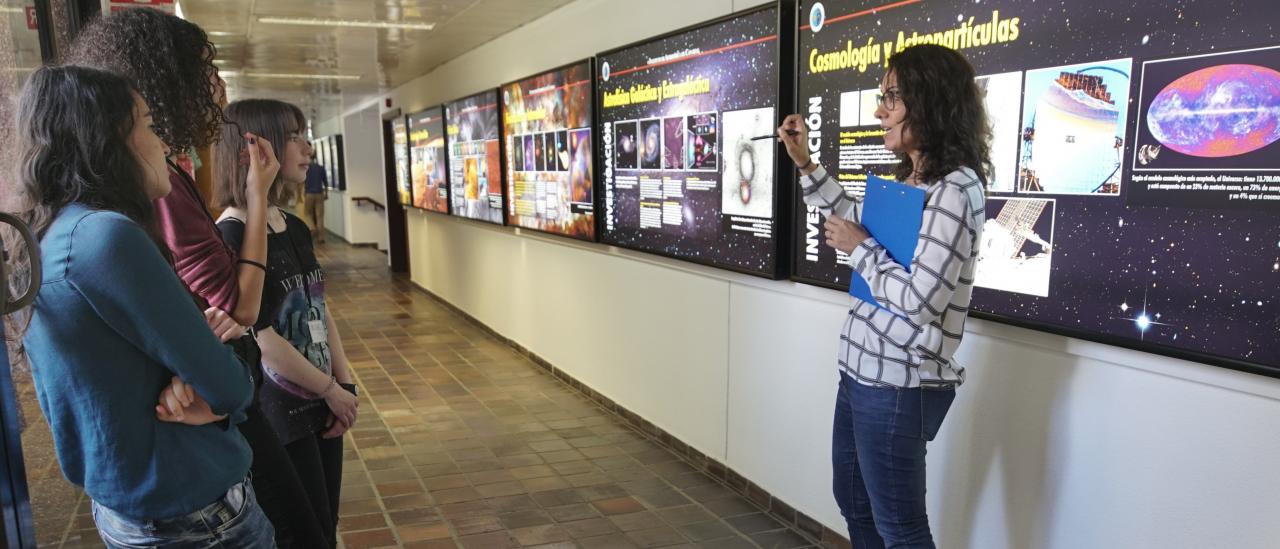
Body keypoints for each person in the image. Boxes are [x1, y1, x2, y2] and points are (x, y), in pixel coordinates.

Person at [65, 8, 330, 547]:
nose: (218, 85)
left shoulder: (88, 221)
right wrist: (256, 197)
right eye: (205, 71)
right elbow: (238, 312)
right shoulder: (126, 218)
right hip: (184, 465)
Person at [9, 65, 273, 548]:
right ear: (108, 139)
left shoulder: (48, 235)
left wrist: (197, 366)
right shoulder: (106, 236)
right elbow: (230, 386)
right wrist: (213, 375)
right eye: (150, 125)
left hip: (130, 506)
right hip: (192, 513)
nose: (165, 146)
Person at [777, 44, 990, 549]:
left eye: (892, 97)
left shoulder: (955, 192)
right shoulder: (916, 181)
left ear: (930, 100)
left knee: (900, 527)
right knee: (855, 504)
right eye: (883, 96)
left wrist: (862, 249)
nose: (881, 110)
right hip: (860, 374)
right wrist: (805, 163)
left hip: (898, 384)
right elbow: (853, 220)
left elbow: (921, 298)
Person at [215, 99, 359, 548]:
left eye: (303, 134)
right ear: (256, 146)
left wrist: (345, 383)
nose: (307, 147)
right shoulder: (233, 232)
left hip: (321, 400)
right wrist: (329, 389)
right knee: (303, 535)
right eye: (294, 135)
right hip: (280, 412)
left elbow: (318, 306)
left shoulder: (293, 227)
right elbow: (259, 335)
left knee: (326, 525)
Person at [303, 152, 328, 243]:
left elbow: (302, 180)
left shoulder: (306, 168)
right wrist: (326, 193)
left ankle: (313, 228)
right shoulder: (321, 168)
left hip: (309, 193)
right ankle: (321, 238)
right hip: (319, 193)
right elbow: (325, 182)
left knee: (308, 213)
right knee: (320, 216)